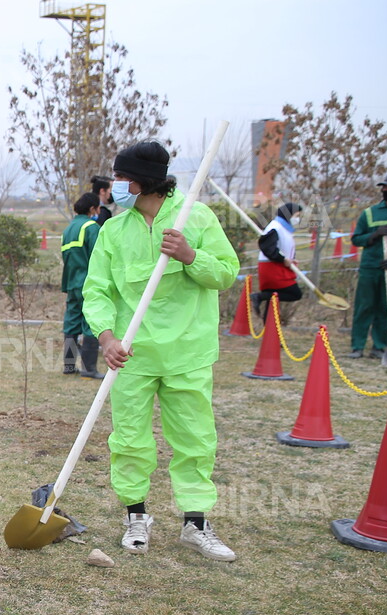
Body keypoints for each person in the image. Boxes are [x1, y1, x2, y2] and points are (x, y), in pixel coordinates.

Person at [82, 141, 240, 562]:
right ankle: (136, 517)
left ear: (140, 181)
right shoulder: (113, 231)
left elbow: (226, 273)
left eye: (119, 177)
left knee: (194, 439)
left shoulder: (198, 217)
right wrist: (107, 338)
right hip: (132, 356)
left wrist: (191, 256)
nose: (113, 185)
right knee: (129, 439)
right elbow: (97, 291)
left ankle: (196, 524)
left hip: (188, 352)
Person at [60, 191, 103, 378]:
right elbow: (99, 256)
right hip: (87, 283)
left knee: (71, 324)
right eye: (98, 208)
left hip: (71, 283)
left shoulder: (68, 229)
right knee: (90, 323)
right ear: (92, 208)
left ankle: (69, 365)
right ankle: (89, 369)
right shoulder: (91, 227)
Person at [348, 175, 387, 359]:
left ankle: (380, 346)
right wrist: (374, 235)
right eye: (384, 188)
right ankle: (357, 346)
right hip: (369, 268)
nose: (386, 191)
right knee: (364, 307)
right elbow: (356, 239)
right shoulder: (370, 213)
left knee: (385, 307)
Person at [250, 202, 304, 323]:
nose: (298, 218)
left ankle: (270, 335)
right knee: (295, 293)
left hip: (278, 266)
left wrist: (290, 259)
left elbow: (282, 247)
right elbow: (267, 247)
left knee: (272, 300)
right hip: (272, 267)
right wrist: (282, 259)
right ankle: (259, 296)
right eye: (297, 215)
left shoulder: (284, 228)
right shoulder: (275, 227)